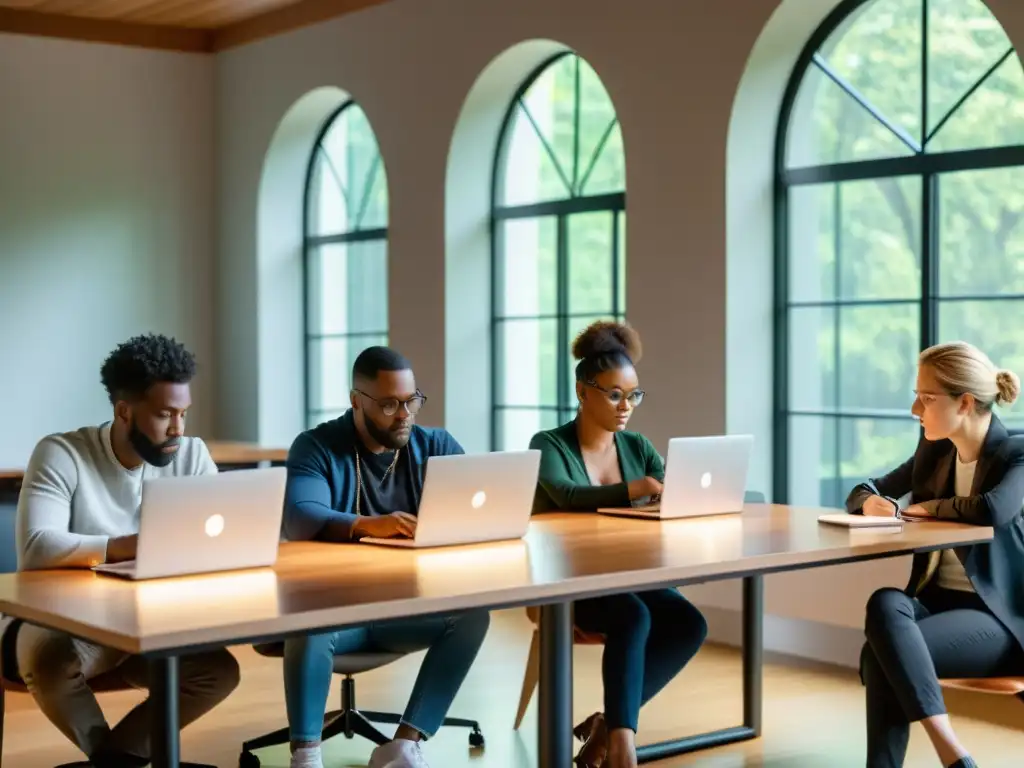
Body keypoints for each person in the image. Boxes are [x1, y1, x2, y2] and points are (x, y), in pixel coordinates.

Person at [8, 333, 240, 768]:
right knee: (48, 660)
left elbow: (221, 537)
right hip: (66, 620)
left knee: (219, 672)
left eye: (183, 414)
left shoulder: (192, 455)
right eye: (165, 415)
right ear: (123, 411)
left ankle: (117, 761)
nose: (178, 429)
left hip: (152, 620)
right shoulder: (61, 453)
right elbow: (37, 547)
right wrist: (130, 546)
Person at [282, 346, 491, 768]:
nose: (404, 414)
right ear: (356, 400)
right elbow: (302, 517)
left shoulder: (436, 446)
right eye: (390, 404)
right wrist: (364, 524)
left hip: (408, 609)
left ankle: (405, 744)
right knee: (311, 620)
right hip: (340, 613)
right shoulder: (317, 447)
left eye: (412, 400)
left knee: (473, 615)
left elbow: (478, 508)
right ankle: (306, 755)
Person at [528, 321, 708, 768]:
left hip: (628, 572)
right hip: (566, 581)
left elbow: (671, 490)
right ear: (582, 391)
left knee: (689, 623)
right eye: (613, 394)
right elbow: (566, 494)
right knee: (632, 613)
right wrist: (636, 488)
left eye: (633, 395)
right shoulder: (548, 444)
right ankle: (624, 749)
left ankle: (610, 727)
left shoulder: (637, 445)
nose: (626, 406)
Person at [847, 341, 1024, 768]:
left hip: (1000, 619)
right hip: (939, 606)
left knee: (879, 655)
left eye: (926, 398)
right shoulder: (935, 452)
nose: (914, 409)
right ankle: (953, 752)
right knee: (885, 602)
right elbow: (863, 489)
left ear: (965, 402)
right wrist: (871, 502)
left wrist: (930, 508)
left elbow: (994, 509)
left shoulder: (1015, 451)